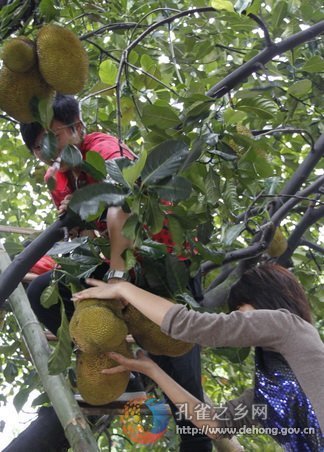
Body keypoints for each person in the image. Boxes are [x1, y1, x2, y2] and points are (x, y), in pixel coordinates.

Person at [20, 94, 212, 451]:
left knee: (183, 389)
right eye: (38, 147)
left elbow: (123, 197)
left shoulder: (103, 148)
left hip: (162, 262)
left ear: (77, 127)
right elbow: (88, 235)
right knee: (40, 292)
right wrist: (76, 225)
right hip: (112, 265)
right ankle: (121, 368)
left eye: (53, 137)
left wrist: (117, 275)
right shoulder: (57, 178)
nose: (48, 150)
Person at [72, 263, 324, 451]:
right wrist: (153, 372)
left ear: (265, 296)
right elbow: (213, 423)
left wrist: (124, 289)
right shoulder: (267, 396)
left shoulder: (287, 325)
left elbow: (193, 325)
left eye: (239, 308)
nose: (236, 316)